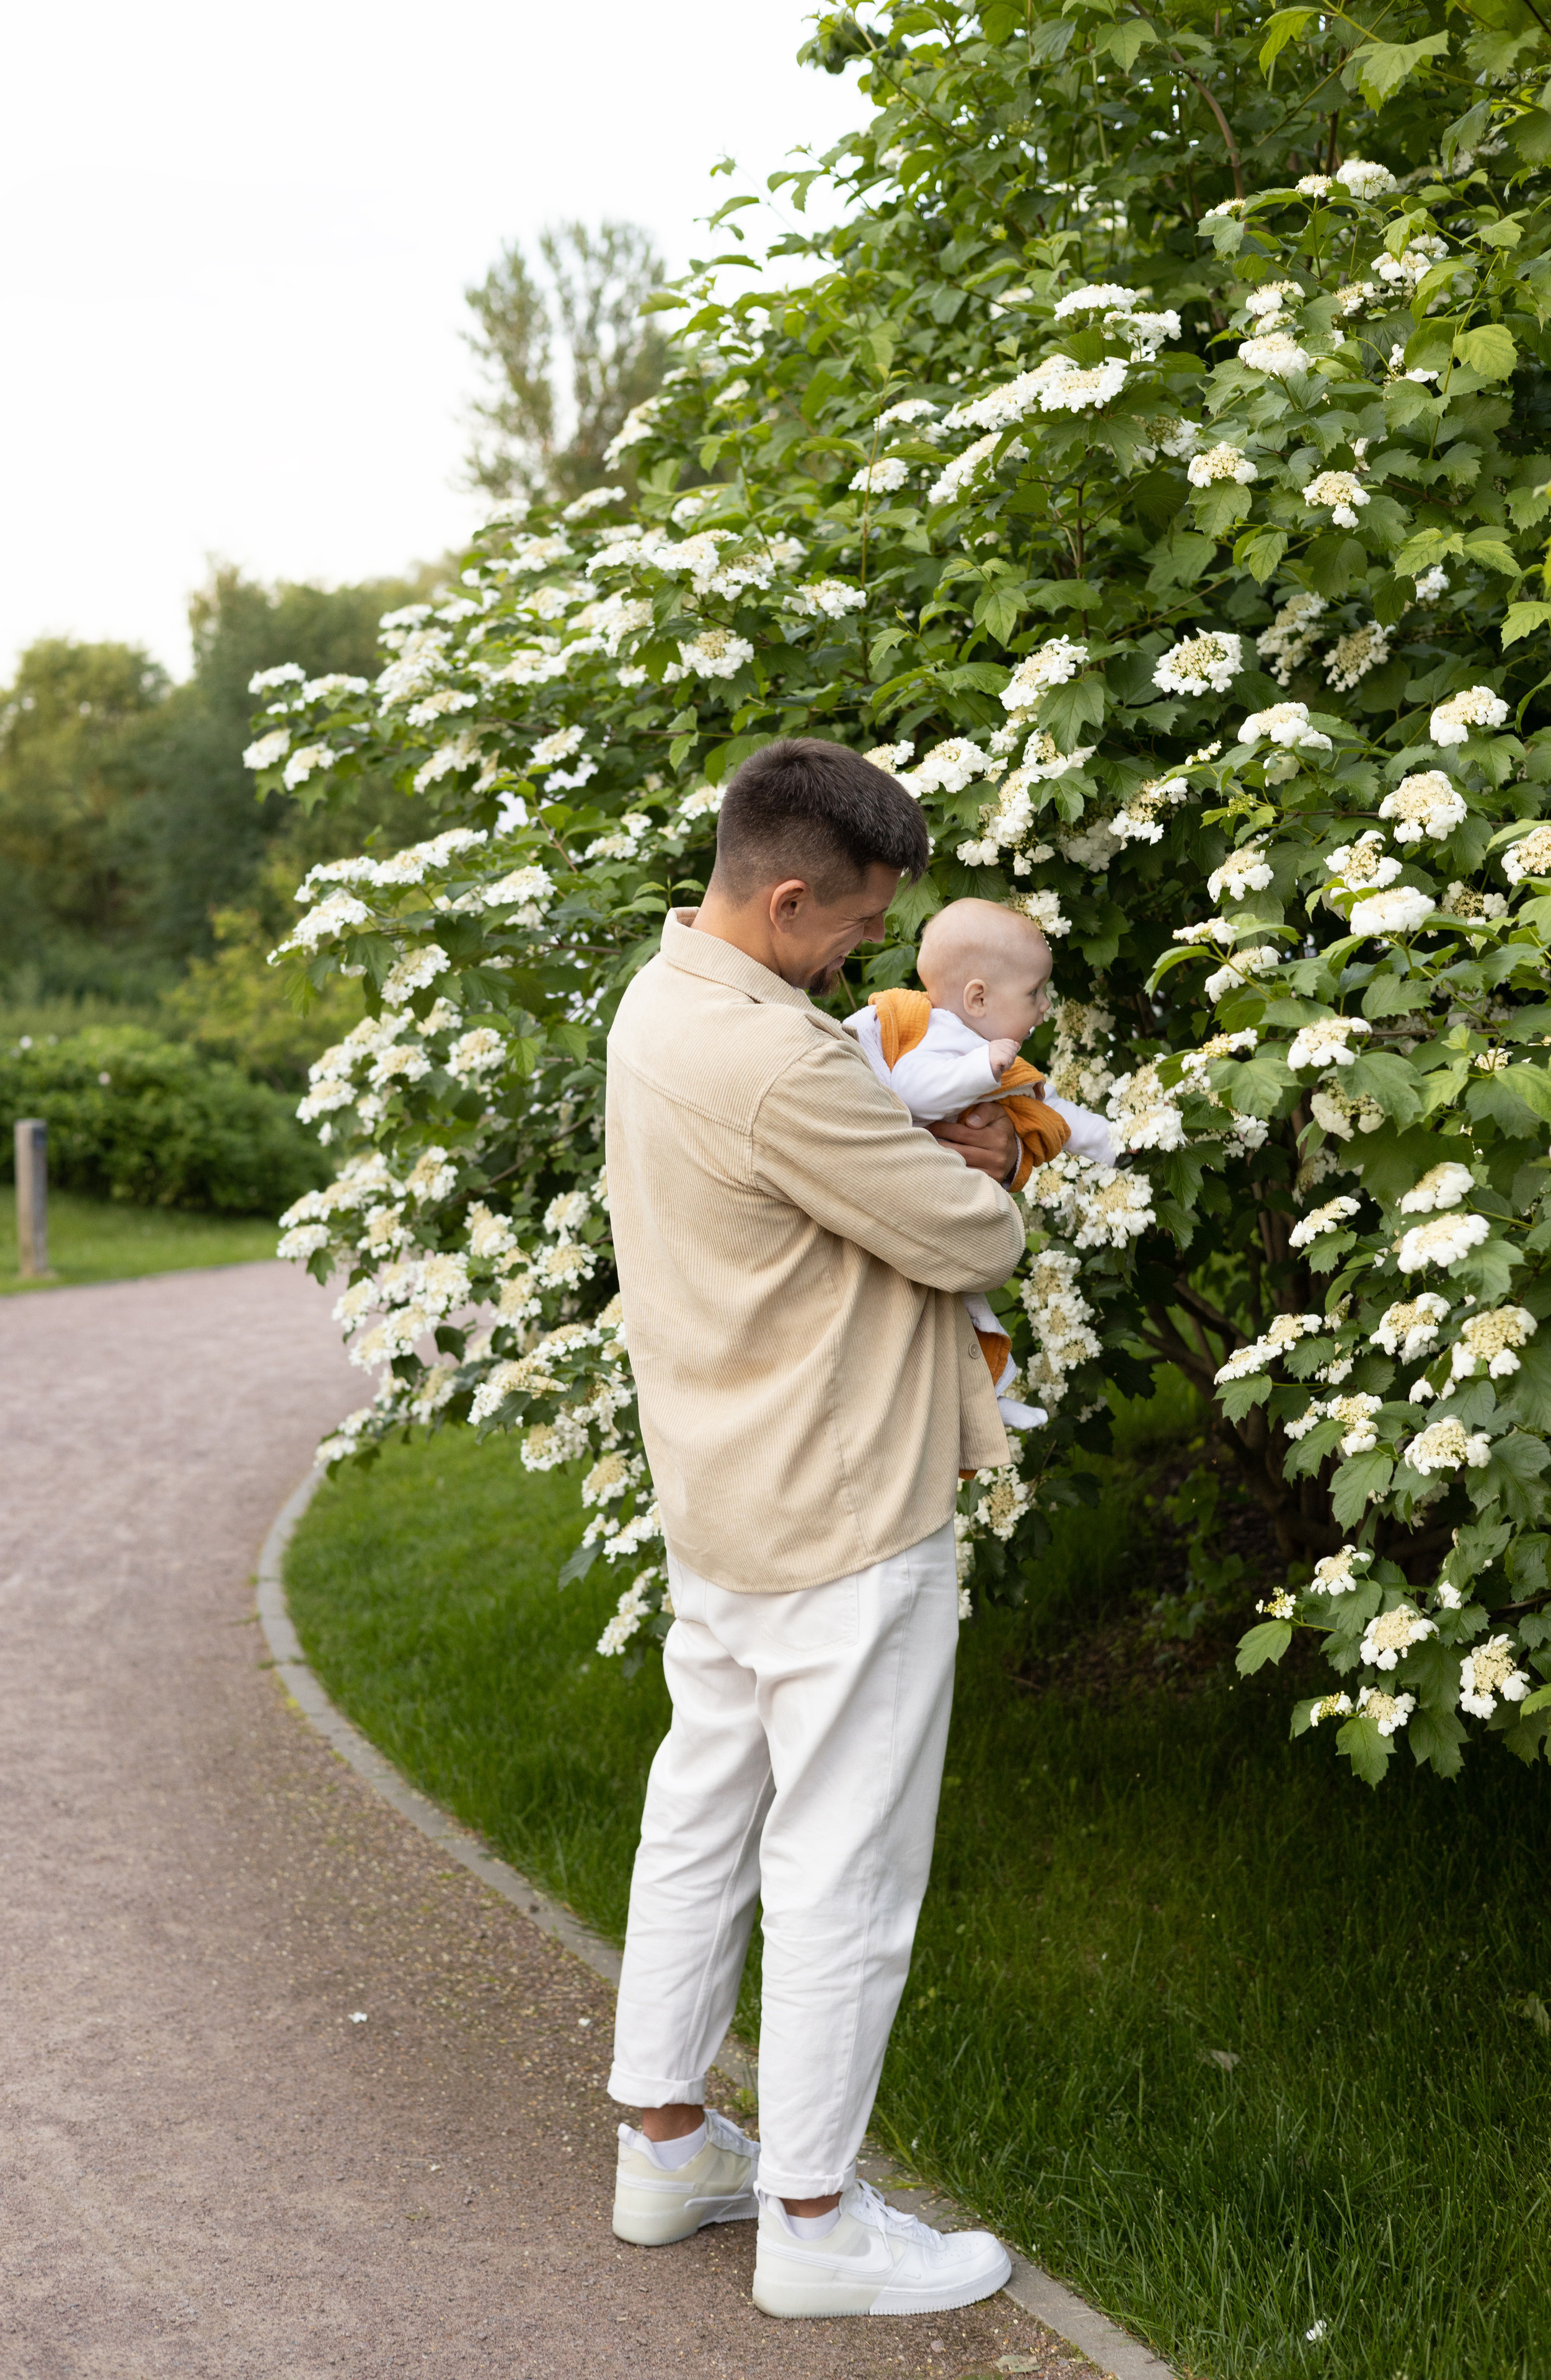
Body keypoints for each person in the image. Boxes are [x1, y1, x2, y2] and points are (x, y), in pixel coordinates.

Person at [602, 737, 1026, 2319]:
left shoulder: (664, 1003)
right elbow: (963, 1230)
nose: (867, 953)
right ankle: (813, 2218)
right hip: (845, 1507)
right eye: (851, 924)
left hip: (720, 1490)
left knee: (699, 1817)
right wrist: (982, 1164)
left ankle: (666, 2145)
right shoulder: (782, 1061)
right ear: (784, 893)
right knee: (842, 1863)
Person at [843, 897, 1117, 1430]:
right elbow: (914, 1090)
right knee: (964, 1310)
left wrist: (1110, 1142)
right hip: (906, 1200)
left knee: (969, 1311)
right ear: (978, 997)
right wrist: (979, 1070)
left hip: (940, 1200)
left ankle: (992, 1395)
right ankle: (988, 1397)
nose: (1044, 1006)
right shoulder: (941, 1036)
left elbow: (1051, 1111)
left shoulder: (985, 1050)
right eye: (1034, 992)